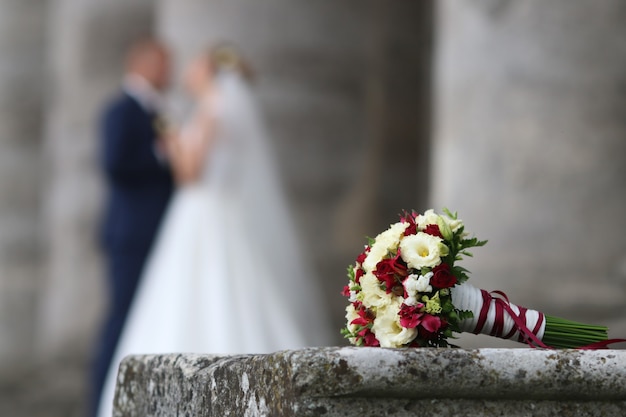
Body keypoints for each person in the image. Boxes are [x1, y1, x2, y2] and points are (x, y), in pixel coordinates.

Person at [96, 45, 333, 417]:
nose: (184, 70)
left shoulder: (211, 109)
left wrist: (173, 145)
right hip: (217, 215)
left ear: (206, 71)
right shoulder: (225, 108)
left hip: (200, 214)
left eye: (192, 64)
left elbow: (189, 172)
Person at [91, 38, 174, 417]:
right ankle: (97, 405)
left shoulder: (158, 110)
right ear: (142, 63)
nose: (168, 71)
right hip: (130, 235)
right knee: (121, 318)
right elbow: (115, 164)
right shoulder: (120, 110)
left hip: (159, 234)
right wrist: (162, 155)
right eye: (163, 63)